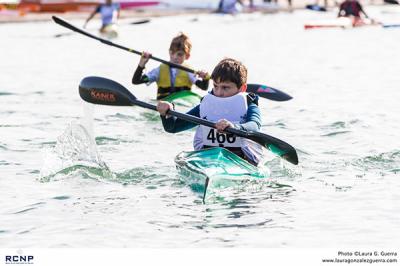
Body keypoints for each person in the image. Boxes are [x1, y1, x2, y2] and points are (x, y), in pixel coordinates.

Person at [156, 58, 264, 166]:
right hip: (209, 160)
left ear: (242, 88)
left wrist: (234, 128)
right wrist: (167, 113)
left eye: (225, 88)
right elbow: (173, 127)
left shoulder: (249, 105)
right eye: (216, 86)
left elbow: (254, 126)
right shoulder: (206, 105)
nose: (219, 92)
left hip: (242, 161)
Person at [132, 33, 209, 100]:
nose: (175, 57)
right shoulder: (159, 70)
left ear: (187, 56)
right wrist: (142, 63)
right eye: (172, 53)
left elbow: (203, 87)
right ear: (169, 51)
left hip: (182, 103)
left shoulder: (189, 71)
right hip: (164, 104)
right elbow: (136, 81)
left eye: (179, 54)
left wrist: (205, 78)